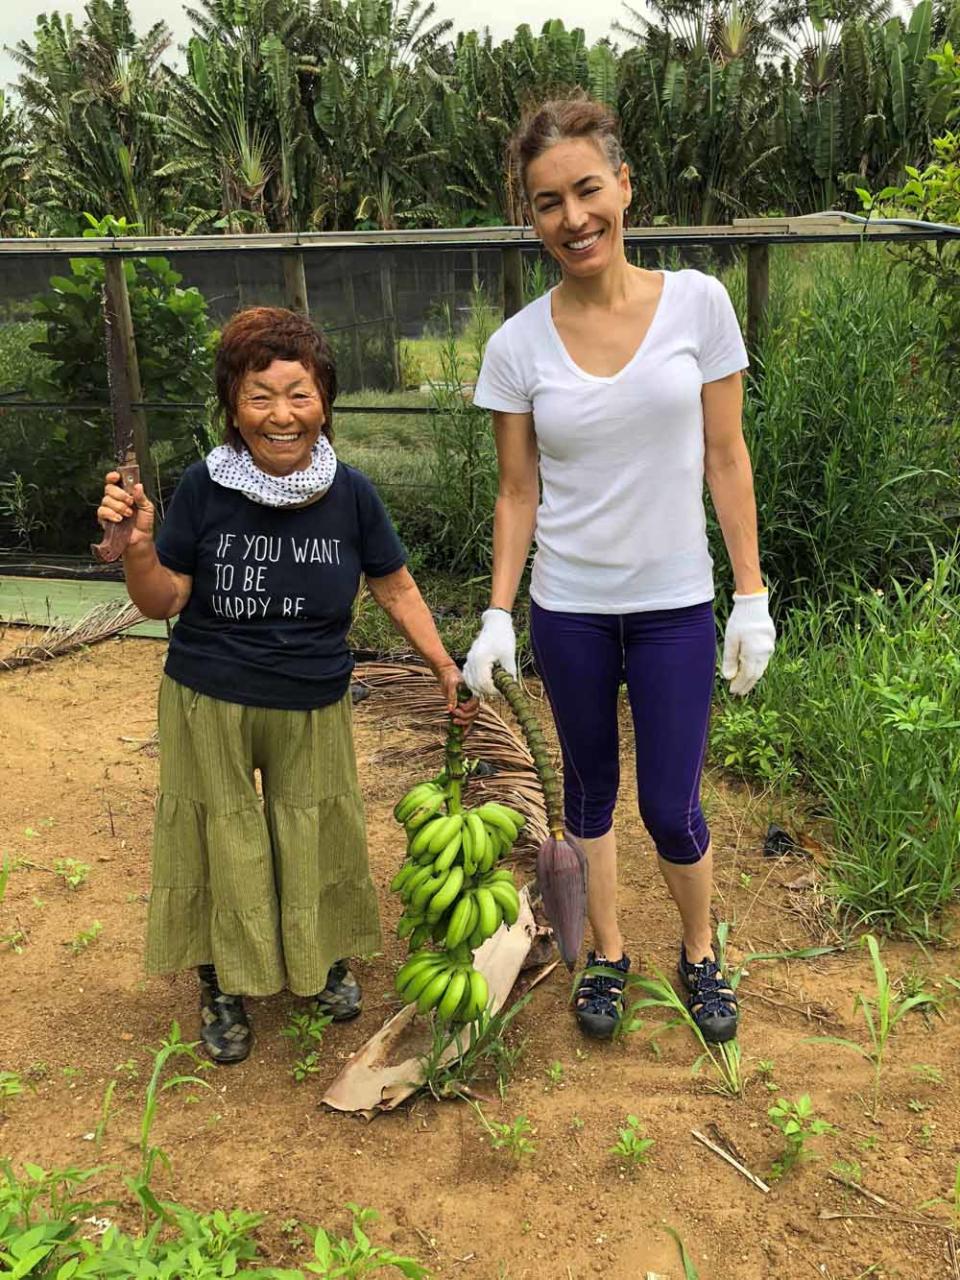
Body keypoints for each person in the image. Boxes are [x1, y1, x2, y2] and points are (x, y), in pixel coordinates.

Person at [463, 95, 775, 1043]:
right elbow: (517, 493)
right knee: (589, 791)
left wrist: (751, 597)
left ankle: (700, 953)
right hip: (571, 609)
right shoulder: (516, 344)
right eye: (549, 202)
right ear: (533, 215)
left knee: (672, 804)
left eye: (588, 190)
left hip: (676, 603)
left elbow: (728, 456)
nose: (573, 218)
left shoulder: (698, 303)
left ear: (624, 187)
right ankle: (605, 952)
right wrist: (497, 613)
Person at [97, 306, 477, 1064]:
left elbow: (395, 586)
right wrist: (136, 549)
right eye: (259, 395)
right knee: (222, 835)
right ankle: (223, 981)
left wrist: (443, 663)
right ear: (234, 408)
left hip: (314, 696)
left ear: (325, 402)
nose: (281, 415)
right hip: (210, 694)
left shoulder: (352, 494)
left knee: (315, 830)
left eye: (299, 394)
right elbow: (164, 600)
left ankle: (319, 960)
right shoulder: (207, 487)